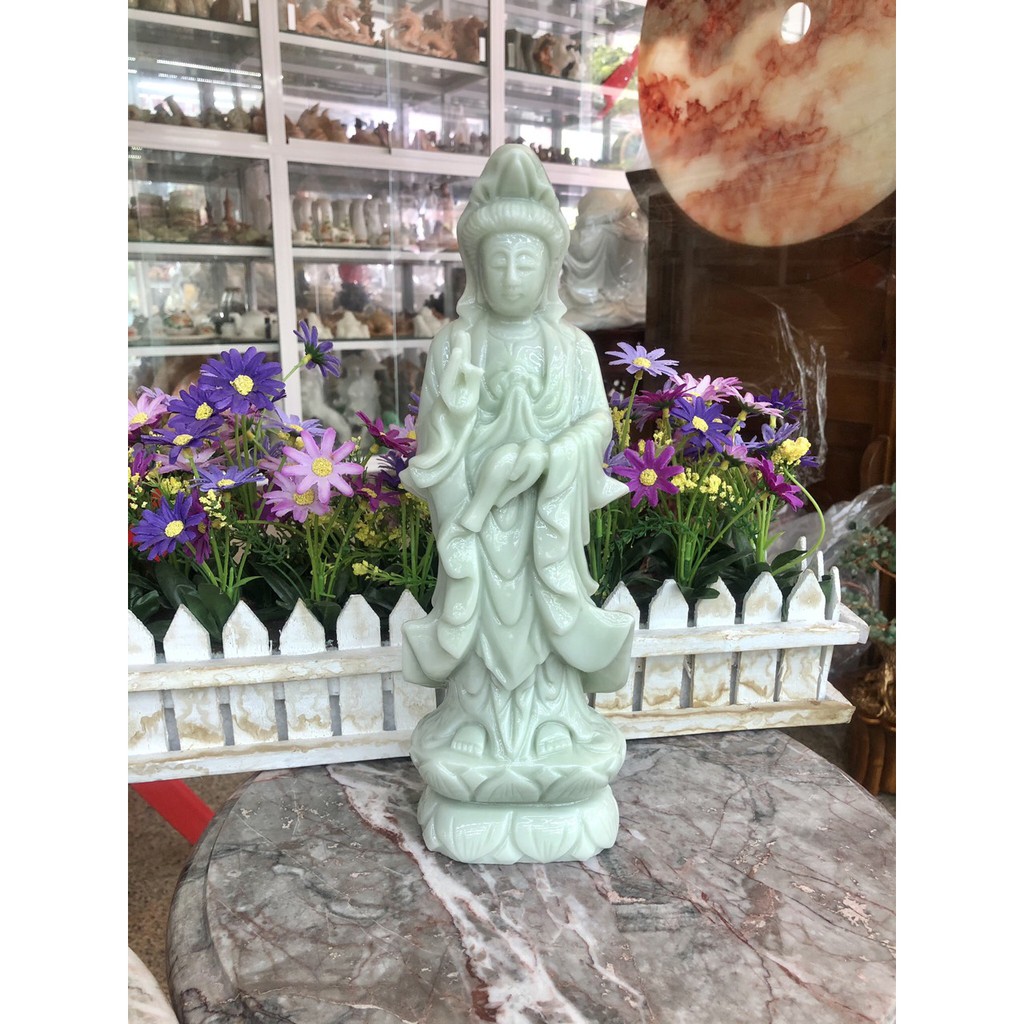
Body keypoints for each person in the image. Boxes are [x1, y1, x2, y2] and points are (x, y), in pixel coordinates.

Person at [400, 144, 635, 862]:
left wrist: (554, 455)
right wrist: (459, 422)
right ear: (476, 269)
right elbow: (432, 441)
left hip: (546, 525)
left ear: (550, 269)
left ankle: (554, 728)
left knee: (546, 631)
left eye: (525, 261)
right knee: (478, 630)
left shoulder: (572, 348)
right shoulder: (455, 344)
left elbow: (597, 426)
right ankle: (475, 727)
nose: (511, 274)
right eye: (497, 260)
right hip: (477, 520)